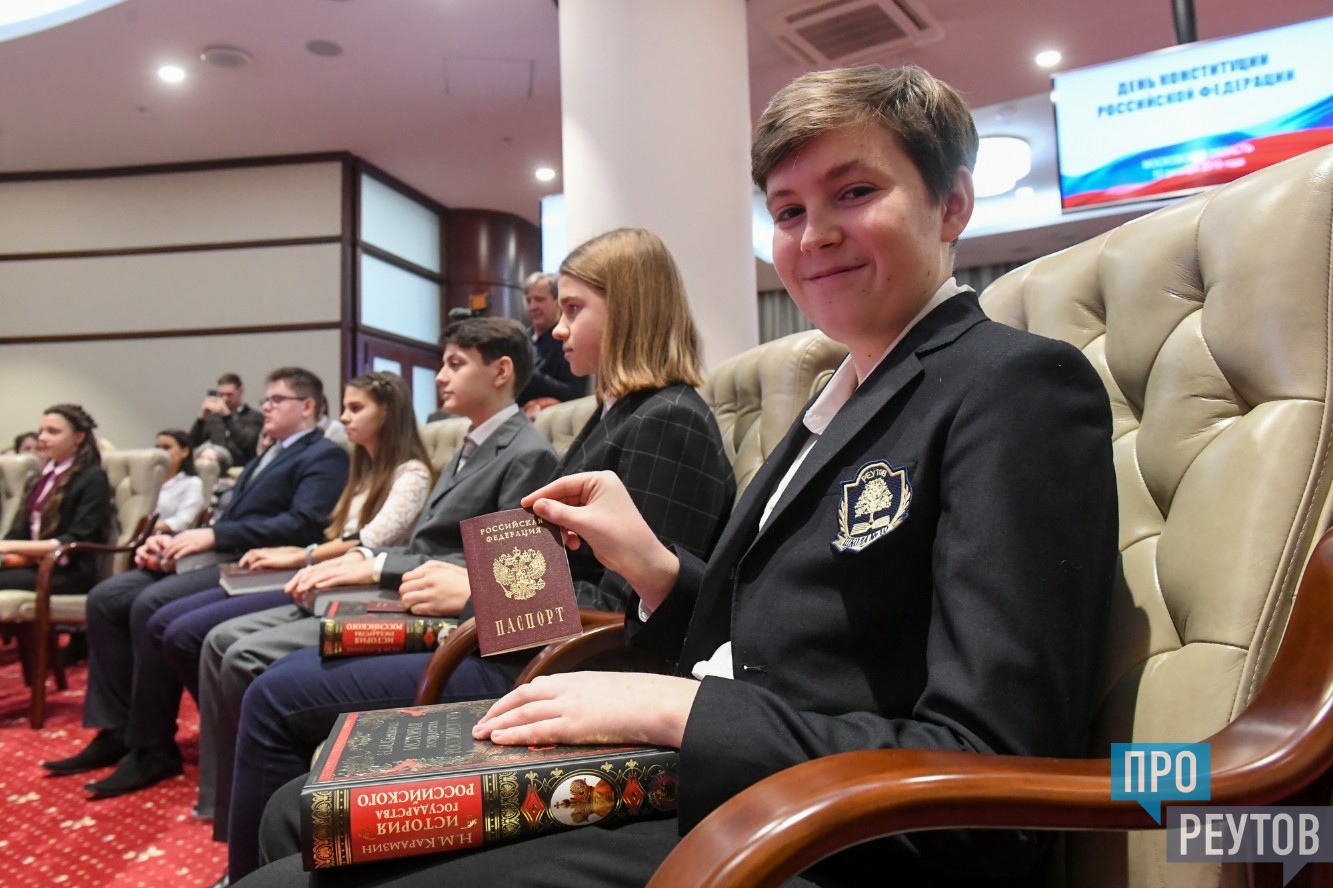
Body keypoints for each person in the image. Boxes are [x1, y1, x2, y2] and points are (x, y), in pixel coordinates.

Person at [238, 65, 1118, 888]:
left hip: (818, 830)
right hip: (728, 767)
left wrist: (670, 709)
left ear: (951, 203)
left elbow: (986, 759)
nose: (813, 235)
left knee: (294, 821)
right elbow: (786, 624)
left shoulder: (1010, 384)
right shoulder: (837, 395)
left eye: (854, 193)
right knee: (297, 811)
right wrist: (659, 572)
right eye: (786, 210)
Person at [226, 228, 736, 882]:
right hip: (523, 644)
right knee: (284, 734)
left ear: (631, 309)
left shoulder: (667, 419)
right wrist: (472, 589)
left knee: (274, 699)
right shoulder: (618, 414)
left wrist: (474, 593)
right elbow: (555, 568)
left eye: (574, 309)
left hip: (559, 667)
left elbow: (638, 614)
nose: (557, 330)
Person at [191, 318, 556, 862]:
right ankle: (252, 841)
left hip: (444, 612)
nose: (440, 376)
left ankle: (253, 857)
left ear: (501, 371)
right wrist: (367, 561)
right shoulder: (472, 442)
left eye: (455, 364)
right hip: (416, 590)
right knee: (252, 655)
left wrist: (375, 564)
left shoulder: (525, 452)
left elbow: (504, 569)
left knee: (261, 671)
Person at [42, 366, 349, 799]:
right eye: (266, 399)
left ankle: (152, 746)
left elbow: (302, 524)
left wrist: (214, 536)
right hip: (222, 550)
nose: (266, 407)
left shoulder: (325, 455)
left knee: (150, 604)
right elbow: (229, 516)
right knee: (107, 597)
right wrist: (175, 541)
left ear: (308, 406)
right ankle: (116, 729)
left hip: (259, 562)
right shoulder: (269, 453)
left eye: (277, 400)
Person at [156, 370, 436, 817]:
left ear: (388, 412)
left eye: (356, 408)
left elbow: (370, 541)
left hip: (364, 587)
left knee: (226, 645)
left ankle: (239, 792)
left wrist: (301, 555)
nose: (344, 418)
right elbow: (336, 535)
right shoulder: (362, 470)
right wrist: (302, 557)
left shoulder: (411, 472)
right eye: (344, 408)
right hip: (329, 577)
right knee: (210, 639)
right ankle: (225, 791)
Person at [0, 405, 111, 596]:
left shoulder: (92, 478)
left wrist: (9, 546)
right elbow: (19, 531)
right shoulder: (40, 478)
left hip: (67, 571)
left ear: (78, 437)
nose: (42, 438)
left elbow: (77, 539)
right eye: (41, 431)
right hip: (33, 564)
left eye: (53, 432)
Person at [516, 271, 587, 417]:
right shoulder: (520, 339)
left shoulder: (568, 339)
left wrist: (527, 375)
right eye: (528, 301)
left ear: (557, 302)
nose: (532, 307)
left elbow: (574, 393)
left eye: (539, 299)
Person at [189, 373, 264, 467]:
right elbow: (191, 444)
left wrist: (227, 417)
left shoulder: (255, 416)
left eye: (229, 395)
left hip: (243, 467)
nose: (225, 399)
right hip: (216, 468)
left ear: (241, 391)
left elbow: (250, 443)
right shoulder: (214, 418)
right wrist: (201, 419)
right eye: (221, 395)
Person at [152, 429, 206, 534]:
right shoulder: (147, 481)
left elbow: (183, 520)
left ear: (184, 452)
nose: (160, 453)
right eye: (157, 448)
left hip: (166, 536)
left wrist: (149, 528)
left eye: (166, 448)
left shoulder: (191, 483)